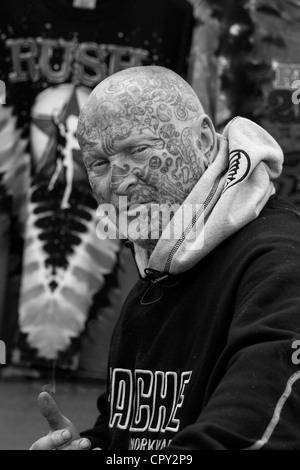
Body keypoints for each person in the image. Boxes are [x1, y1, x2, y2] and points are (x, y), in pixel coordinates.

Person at [30, 66, 300, 450]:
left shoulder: (280, 262)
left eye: (139, 149)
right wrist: (93, 446)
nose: (119, 180)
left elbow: (245, 437)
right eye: (99, 165)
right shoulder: (155, 273)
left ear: (204, 139)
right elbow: (132, 436)